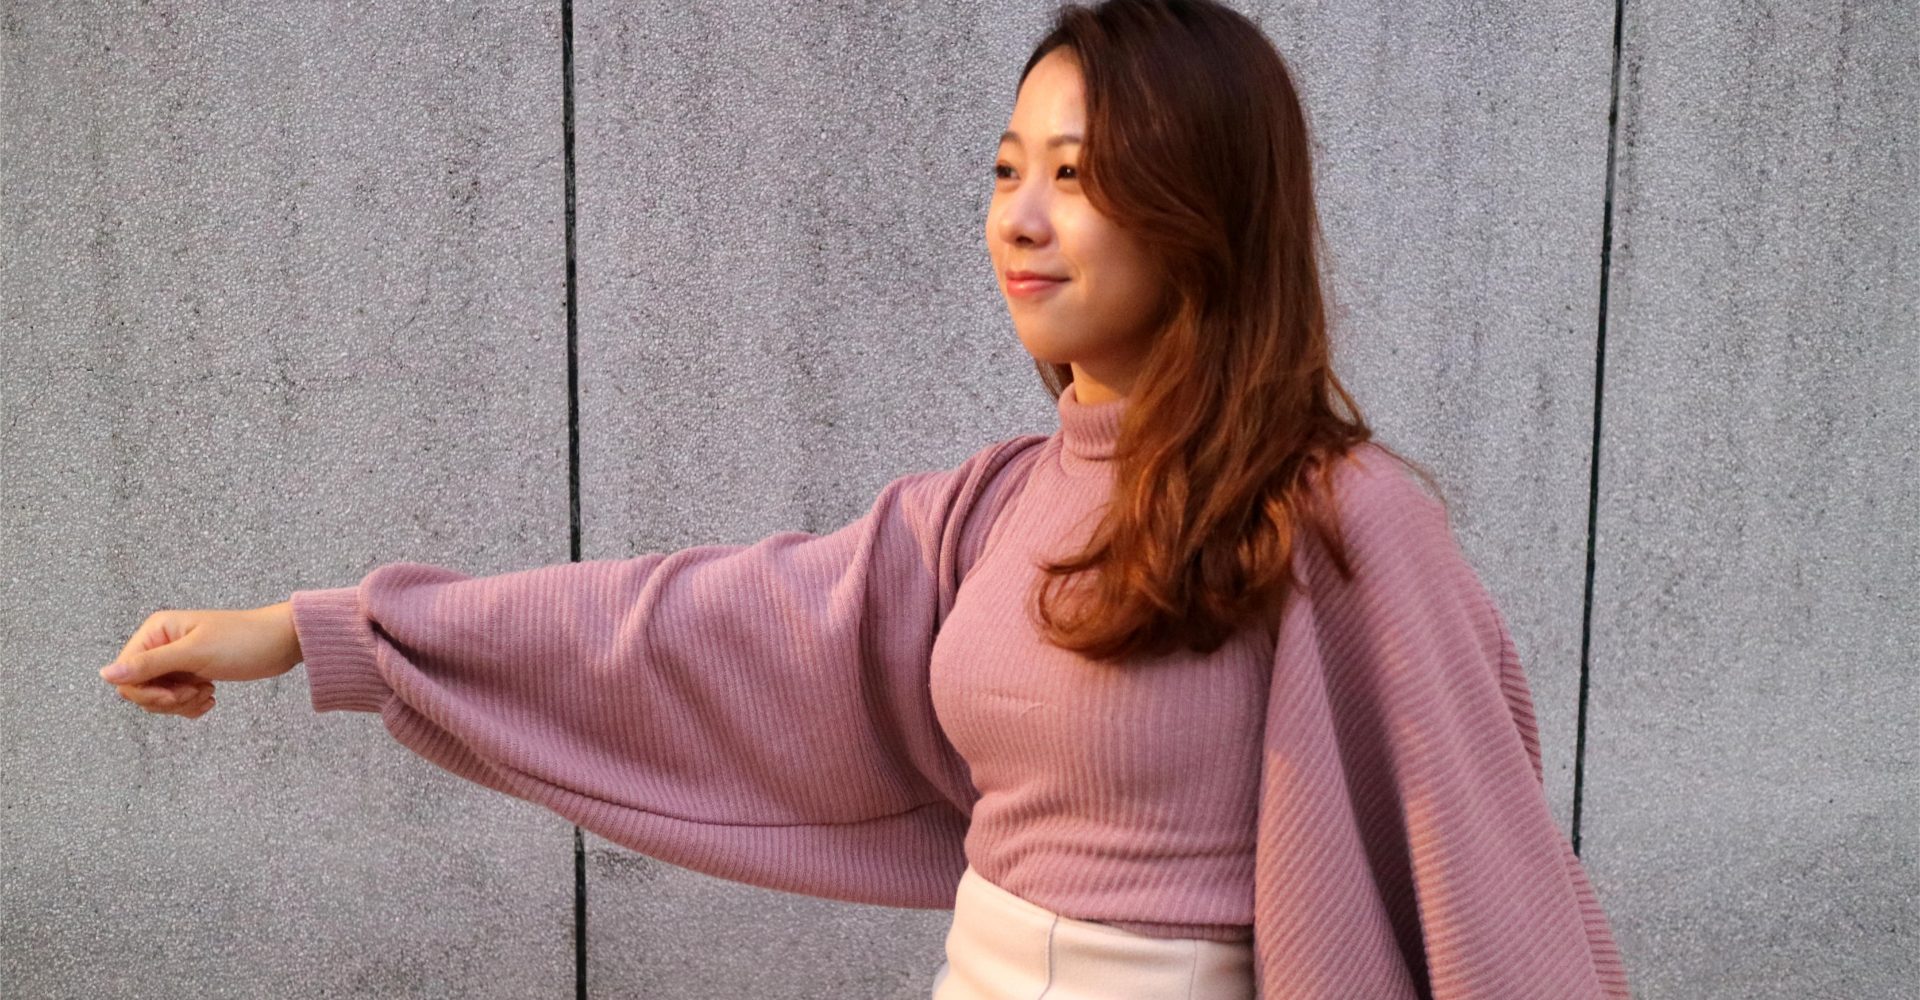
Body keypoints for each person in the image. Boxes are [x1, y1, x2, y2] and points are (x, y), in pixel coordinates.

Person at [98, 1, 1631, 997]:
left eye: (1081, 175)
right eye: (1008, 169)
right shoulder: (994, 509)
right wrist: (315, 632)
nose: (1021, 219)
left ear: (1208, 210)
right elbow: (684, 624)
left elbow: (1482, 875)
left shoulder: (1336, 519)